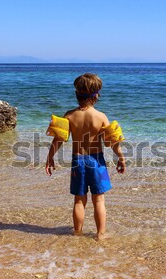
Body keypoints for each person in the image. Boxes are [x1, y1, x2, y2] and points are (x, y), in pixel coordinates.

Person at [45, 73, 125, 241]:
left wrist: (50, 157)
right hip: (97, 162)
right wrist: (121, 157)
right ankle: (100, 235)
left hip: (78, 162)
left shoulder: (69, 116)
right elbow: (113, 141)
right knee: (99, 200)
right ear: (97, 95)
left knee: (79, 201)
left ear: (76, 94)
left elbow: (58, 139)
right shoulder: (101, 117)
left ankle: (77, 233)